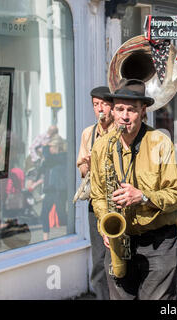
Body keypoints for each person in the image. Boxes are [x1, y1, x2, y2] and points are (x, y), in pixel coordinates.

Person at [90, 79, 177, 300]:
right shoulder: (102, 146)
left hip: (158, 241)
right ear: (112, 111)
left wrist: (142, 196)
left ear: (143, 112)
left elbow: (176, 195)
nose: (124, 116)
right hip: (119, 239)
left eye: (131, 110)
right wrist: (106, 224)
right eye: (120, 109)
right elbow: (98, 194)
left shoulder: (160, 142)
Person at [76, 86, 114, 300]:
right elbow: (81, 168)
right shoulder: (88, 133)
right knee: (99, 258)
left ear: (112, 106)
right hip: (96, 203)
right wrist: (88, 165)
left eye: (104, 104)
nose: (100, 109)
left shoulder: (120, 130)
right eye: (95, 105)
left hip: (116, 200)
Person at [39, 135, 67, 241]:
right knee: (44, 213)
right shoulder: (51, 160)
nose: (49, 149)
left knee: (61, 215)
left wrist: (45, 147)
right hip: (50, 190)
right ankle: (45, 237)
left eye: (50, 147)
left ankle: (68, 234)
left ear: (56, 147)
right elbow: (43, 168)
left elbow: (49, 157)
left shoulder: (63, 156)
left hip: (60, 190)